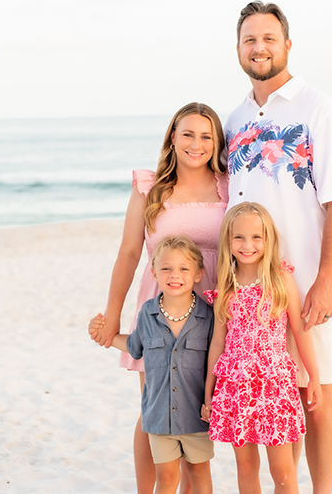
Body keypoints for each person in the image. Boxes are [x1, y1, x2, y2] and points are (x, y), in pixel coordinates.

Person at [225, 1, 332, 493]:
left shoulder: (319, 110)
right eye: (249, 40)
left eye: (268, 38)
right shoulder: (235, 117)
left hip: (303, 282)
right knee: (280, 397)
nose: (259, 47)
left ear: (286, 45)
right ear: (238, 49)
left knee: (315, 390)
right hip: (250, 289)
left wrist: (326, 281)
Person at [89, 102, 228, 494]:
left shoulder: (230, 184)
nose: (196, 143)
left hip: (212, 310)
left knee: (198, 410)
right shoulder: (150, 188)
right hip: (159, 307)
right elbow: (130, 252)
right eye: (187, 133)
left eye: (206, 135)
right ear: (172, 136)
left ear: (216, 141)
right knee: (155, 407)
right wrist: (113, 315)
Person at [201, 202, 322, 494]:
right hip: (236, 388)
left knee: (282, 472)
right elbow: (218, 342)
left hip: (274, 386)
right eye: (239, 237)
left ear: (268, 240)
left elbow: (300, 330)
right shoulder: (225, 287)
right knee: (245, 467)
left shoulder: (280, 279)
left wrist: (314, 377)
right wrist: (209, 390)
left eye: (256, 237)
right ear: (227, 241)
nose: (247, 245)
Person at [89, 236, 214, 494]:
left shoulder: (208, 316)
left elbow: (217, 360)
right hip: (159, 417)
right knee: (166, 477)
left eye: (183, 268)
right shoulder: (147, 313)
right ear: (154, 273)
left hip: (196, 416)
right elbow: (135, 346)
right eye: (166, 268)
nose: (174, 275)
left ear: (198, 274)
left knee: (199, 475)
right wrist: (105, 336)